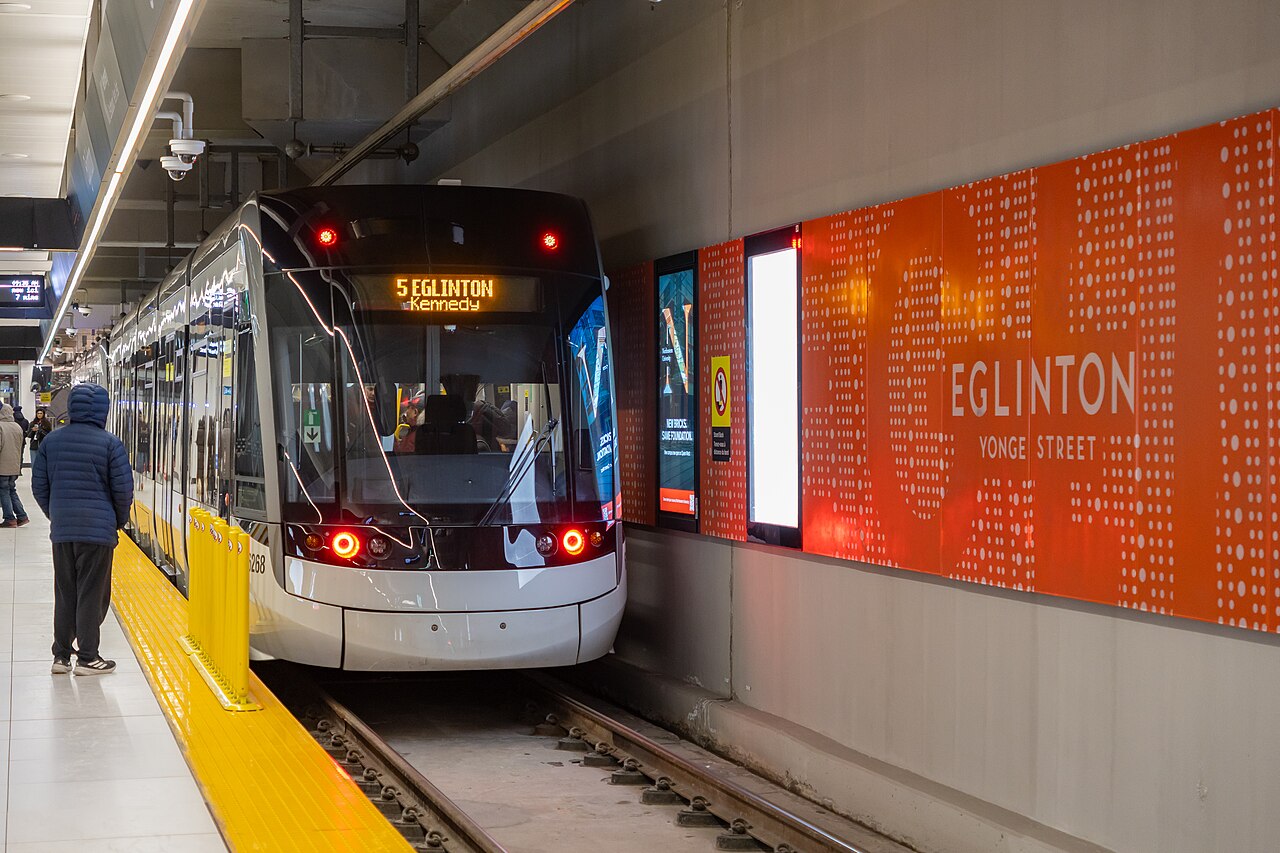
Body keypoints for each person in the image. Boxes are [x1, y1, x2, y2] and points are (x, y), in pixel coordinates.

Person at [32, 384, 132, 676]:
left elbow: (39, 486)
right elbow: (123, 491)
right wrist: (117, 521)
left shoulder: (52, 442)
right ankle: (88, 657)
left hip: (63, 530)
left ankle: (61, 657)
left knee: (65, 591)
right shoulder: (111, 444)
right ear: (103, 410)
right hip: (97, 531)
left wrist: (55, 514)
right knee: (92, 593)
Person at [0, 404, 30, 527]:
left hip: (3, 466)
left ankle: (9, 518)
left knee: (3, 491)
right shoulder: (16, 426)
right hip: (14, 466)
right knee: (11, 490)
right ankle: (22, 516)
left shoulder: (1, 427)